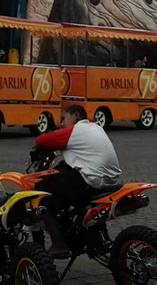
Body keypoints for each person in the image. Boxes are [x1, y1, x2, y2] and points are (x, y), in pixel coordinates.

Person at [33, 104, 122, 258]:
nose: (61, 123)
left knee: (41, 194)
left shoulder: (77, 130)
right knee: (67, 184)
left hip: (91, 179)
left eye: (63, 118)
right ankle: (91, 235)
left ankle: (58, 244)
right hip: (110, 179)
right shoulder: (96, 127)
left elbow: (41, 140)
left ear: (75, 116)